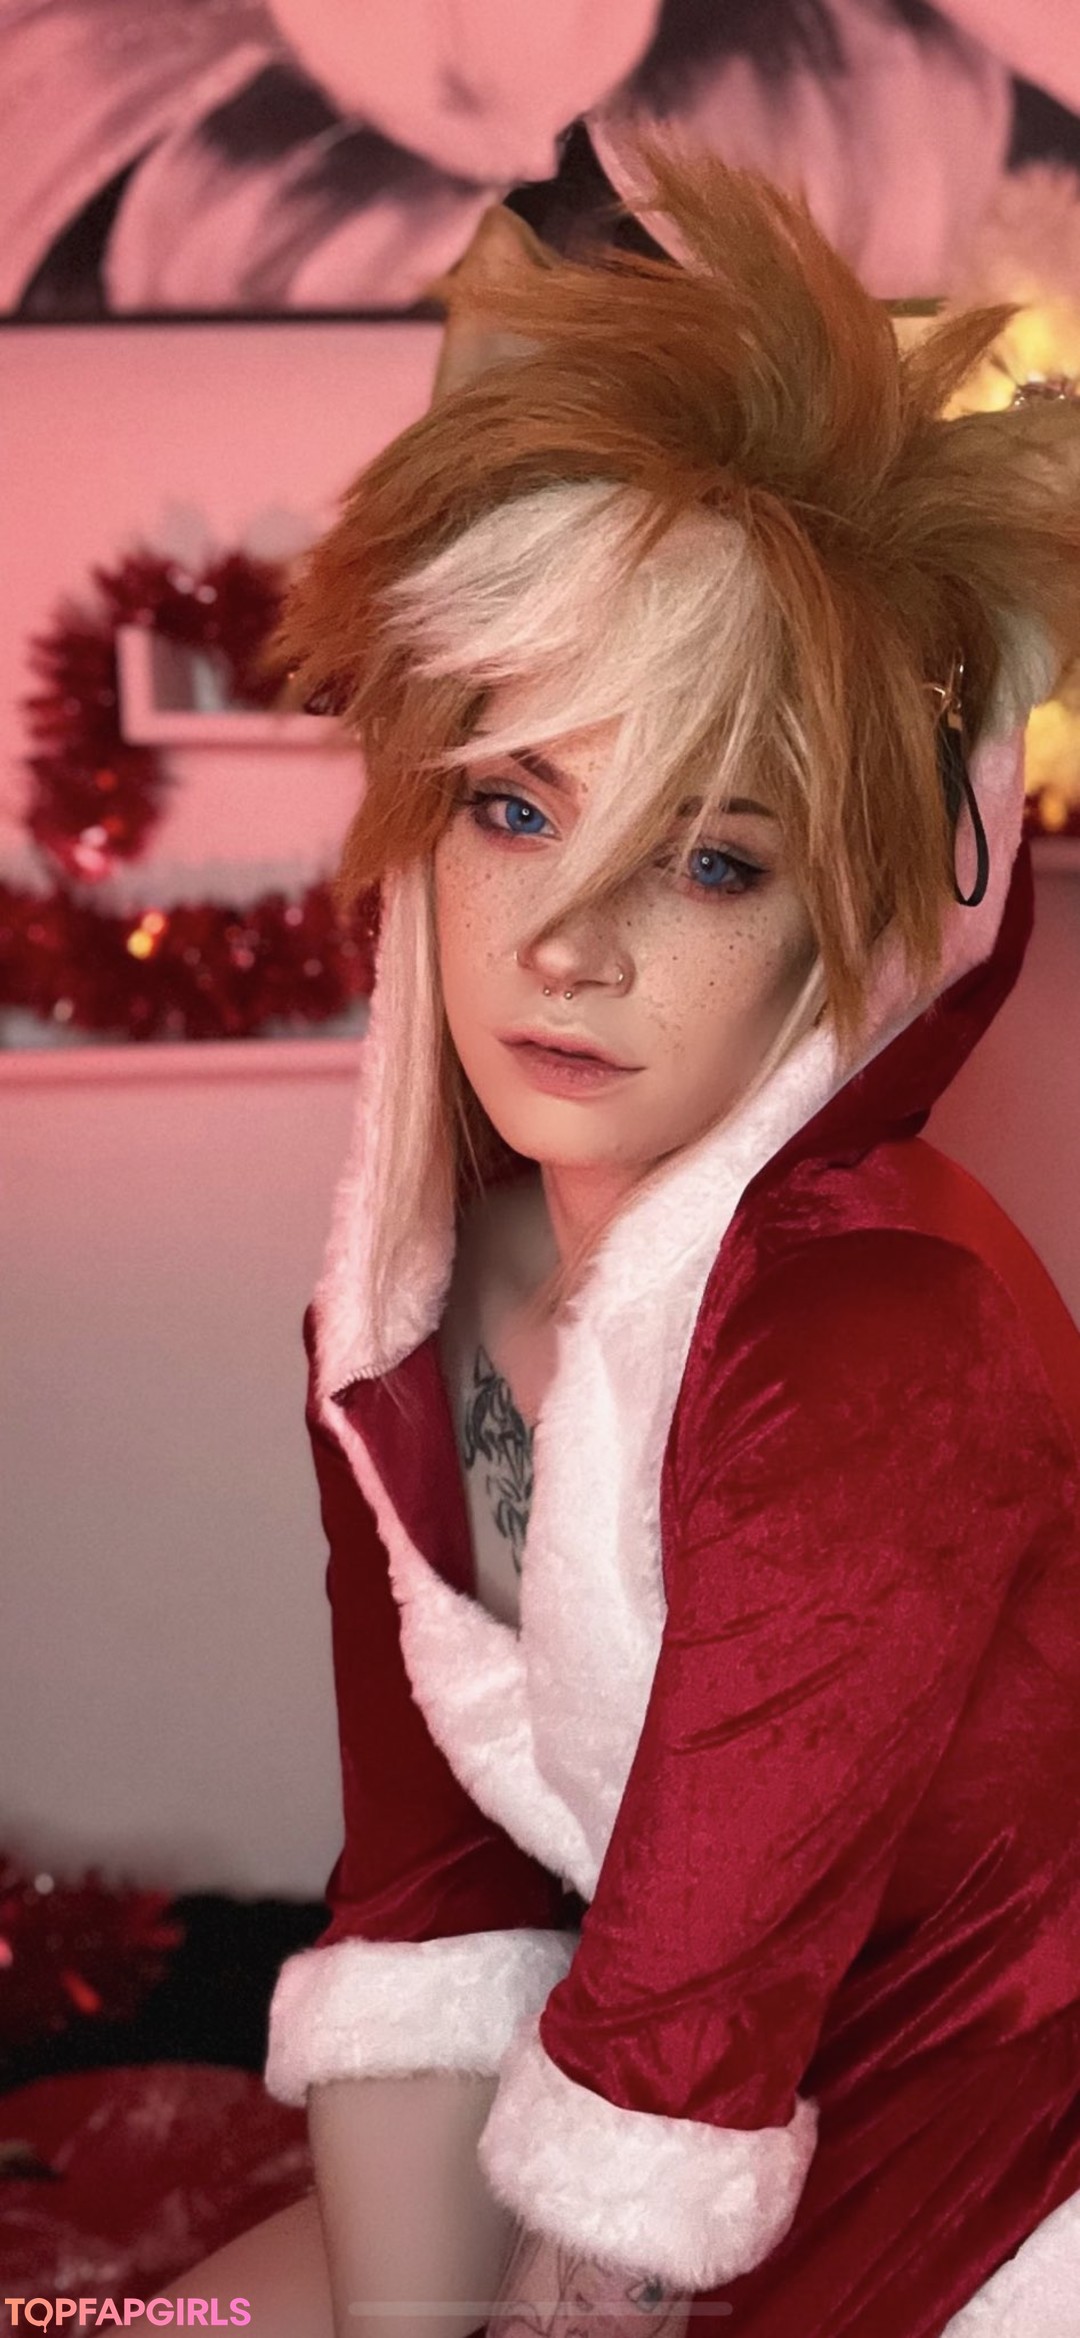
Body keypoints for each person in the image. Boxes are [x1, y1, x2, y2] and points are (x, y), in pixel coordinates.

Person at [161, 141, 1080, 2337]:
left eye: (713, 858)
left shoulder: (882, 1331)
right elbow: (435, 1895)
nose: (569, 940)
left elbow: (680, 2055)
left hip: (995, 2168)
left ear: (852, 932)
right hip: (676, 2123)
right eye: (515, 806)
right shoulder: (394, 1317)